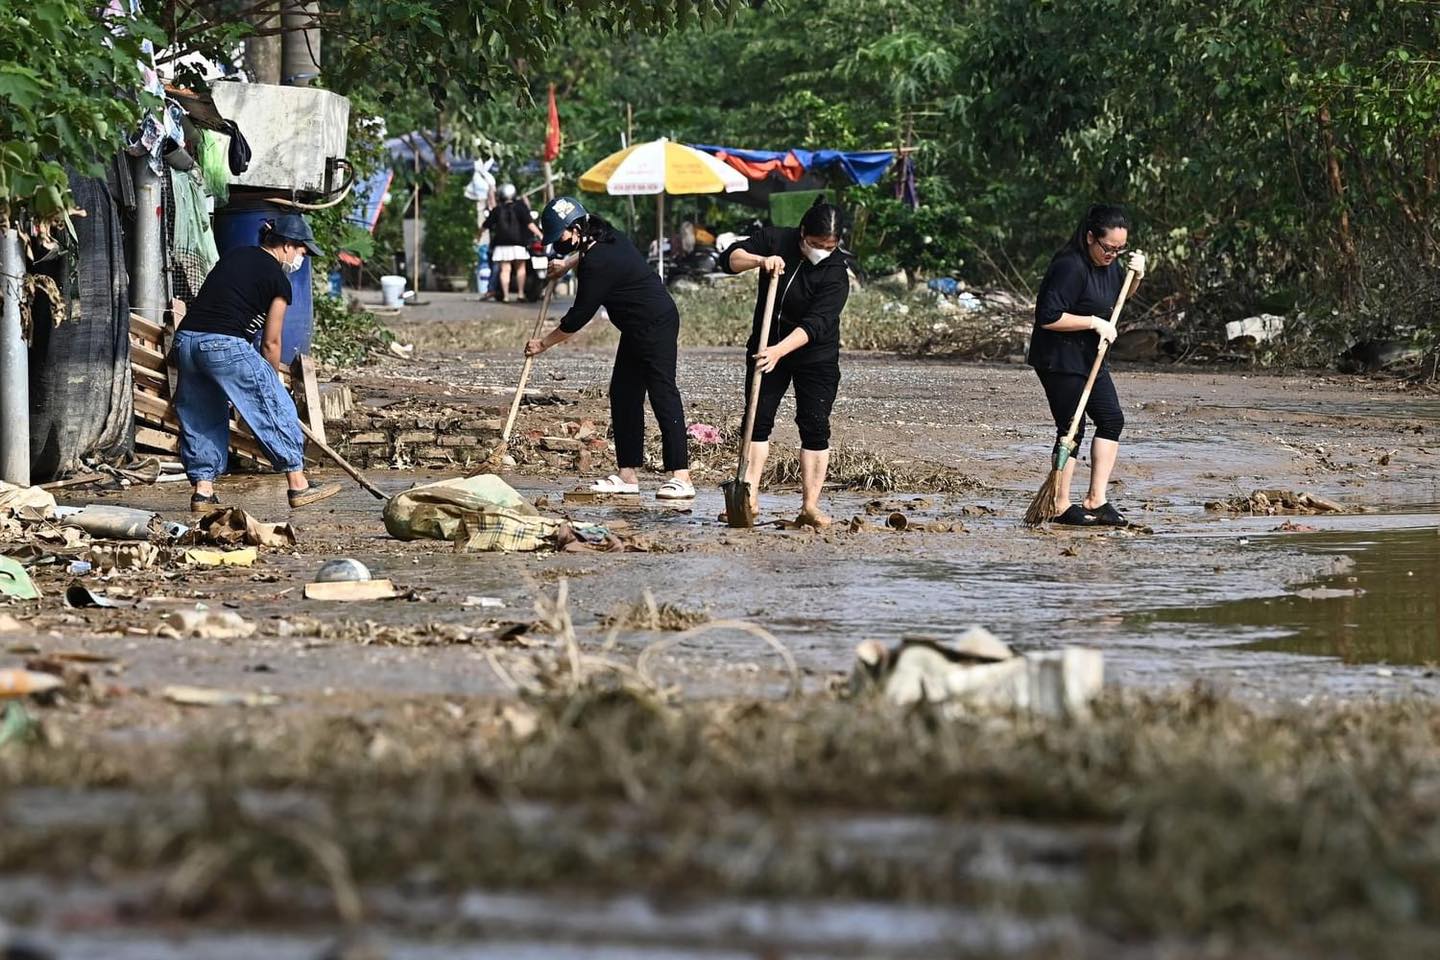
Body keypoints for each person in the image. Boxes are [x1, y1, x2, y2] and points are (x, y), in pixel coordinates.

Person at [525, 196, 695, 500]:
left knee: (662, 393)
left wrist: (543, 344)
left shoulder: (597, 264)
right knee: (623, 393)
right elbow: (587, 251)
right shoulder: (606, 234)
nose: (558, 243)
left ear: (575, 229)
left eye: (561, 237)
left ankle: (681, 477)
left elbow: (577, 318)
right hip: (635, 327)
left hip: (656, 323)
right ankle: (628, 475)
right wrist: (565, 264)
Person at [172, 213, 340, 512]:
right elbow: (271, 342)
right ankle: (298, 483)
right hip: (223, 343)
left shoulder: (236, 255)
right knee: (275, 406)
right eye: (302, 251)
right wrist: (272, 380)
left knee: (202, 415)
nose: (302, 258)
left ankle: (203, 491)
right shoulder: (278, 279)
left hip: (187, 341)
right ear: (287, 245)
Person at [720, 196, 850, 528]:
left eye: (829, 245)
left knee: (815, 426)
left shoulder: (836, 273)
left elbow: (816, 324)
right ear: (803, 232)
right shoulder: (776, 239)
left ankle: (809, 505)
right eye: (816, 243)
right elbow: (729, 258)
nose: (822, 250)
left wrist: (779, 351)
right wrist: (759, 261)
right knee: (757, 421)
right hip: (765, 347)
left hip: (813, 355)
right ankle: (747, 496)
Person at [1027, 204, 1148, 526]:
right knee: (1072, 428)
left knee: (1111, 420)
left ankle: (1096, 499)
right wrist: (1094, 322)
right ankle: (1059, 503)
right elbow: (1048, 317)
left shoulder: (1109, 266)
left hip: (1091, 356)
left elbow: (1120, 295)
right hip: (1059, 359)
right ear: (1090, 237)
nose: (1112, 255)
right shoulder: (1069, 266)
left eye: (1119, 251)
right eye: (1108, 248)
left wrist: (1137, 275)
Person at [482, 183, 542, 303]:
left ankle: (506, 296)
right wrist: (541, 235)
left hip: (501, 245)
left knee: (505, 270)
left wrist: (478, 235)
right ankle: (520, 294)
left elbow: (486, 225)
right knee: (520, 268)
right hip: (518, 244)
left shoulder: (497, 209)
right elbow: (530, 224)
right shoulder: (520, 207)